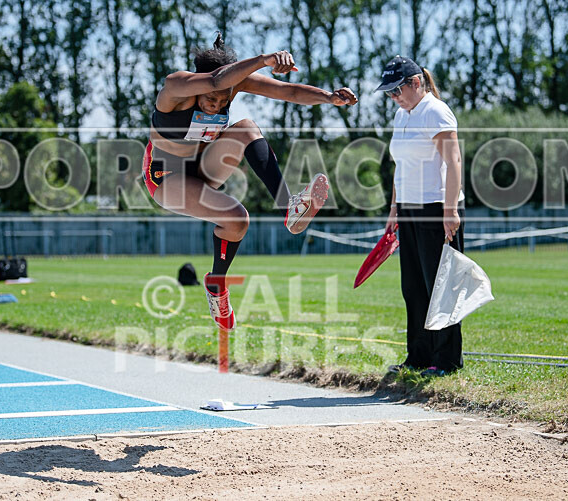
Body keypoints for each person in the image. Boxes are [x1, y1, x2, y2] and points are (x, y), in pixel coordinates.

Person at [144, 33, 357, 331]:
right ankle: (217, 286)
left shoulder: (230, 85)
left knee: (245, 128)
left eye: (223, 101)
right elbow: (217, 81)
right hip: (167, 177)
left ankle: (289, 205)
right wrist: (263, 59)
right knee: (237, 219)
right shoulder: (176, 85)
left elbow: (290, 92)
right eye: (211, 99)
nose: (217, 105)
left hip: (204, 168)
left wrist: (328, 97)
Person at [377, 56, 464, 377]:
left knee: (441, 287)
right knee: (413, 287)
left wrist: (451, 210)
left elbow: (454, 162)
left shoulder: (435, 112)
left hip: (437, 208)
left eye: (396, 90)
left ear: (416, 83)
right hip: (410, 210)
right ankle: (418, 356)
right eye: (388, 94)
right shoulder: (403, 115)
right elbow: (402, 167)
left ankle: (446, 361)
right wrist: (394, 210)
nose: (393, 98)